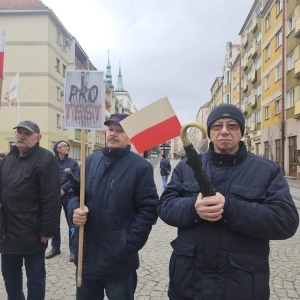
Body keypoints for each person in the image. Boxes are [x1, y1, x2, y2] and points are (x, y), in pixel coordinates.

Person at [157, 103, 299, 300]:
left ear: (241, 131)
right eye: (217, 126)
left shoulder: (267, 171)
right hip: (188, 283)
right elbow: (165, 206)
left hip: (241, 287)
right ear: (210, 132)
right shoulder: (186, 167)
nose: (224, 131)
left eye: (232, 125)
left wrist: (230, 208)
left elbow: (285, 221)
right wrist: (193, 208)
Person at [68, 113, 158, 300]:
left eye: (120, 130)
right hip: (86, 256)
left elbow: (148, 209)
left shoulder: (140, 167)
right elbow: (75, 195)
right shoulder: (90, 161)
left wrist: (127, 244)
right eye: (110, 129)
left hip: (118, 261)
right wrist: (74, 211)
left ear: (130, 136)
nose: (113, 134)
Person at [0, 120, 61, 300]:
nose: (21, 136)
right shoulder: (9, 158)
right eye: (19, 132)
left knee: (35, 279)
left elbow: (51, 198)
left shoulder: (45, 158)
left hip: (32, 230)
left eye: (26, 133)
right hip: (7, 231)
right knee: (10, 276)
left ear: (38, 137)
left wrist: (47, 230)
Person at [45, 140, 80, 262]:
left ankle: (73, 250)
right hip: (53, 197)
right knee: (55, 224)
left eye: (68, 146)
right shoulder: (51, 162)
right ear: (58, 149)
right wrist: (55, 189)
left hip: (68, 196)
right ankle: (55, 248)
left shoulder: (73, 162)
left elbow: (75, 178)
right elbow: (46, 177)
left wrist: (64, 189)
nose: (68, 148)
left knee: (72, 224)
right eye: (65, 146)